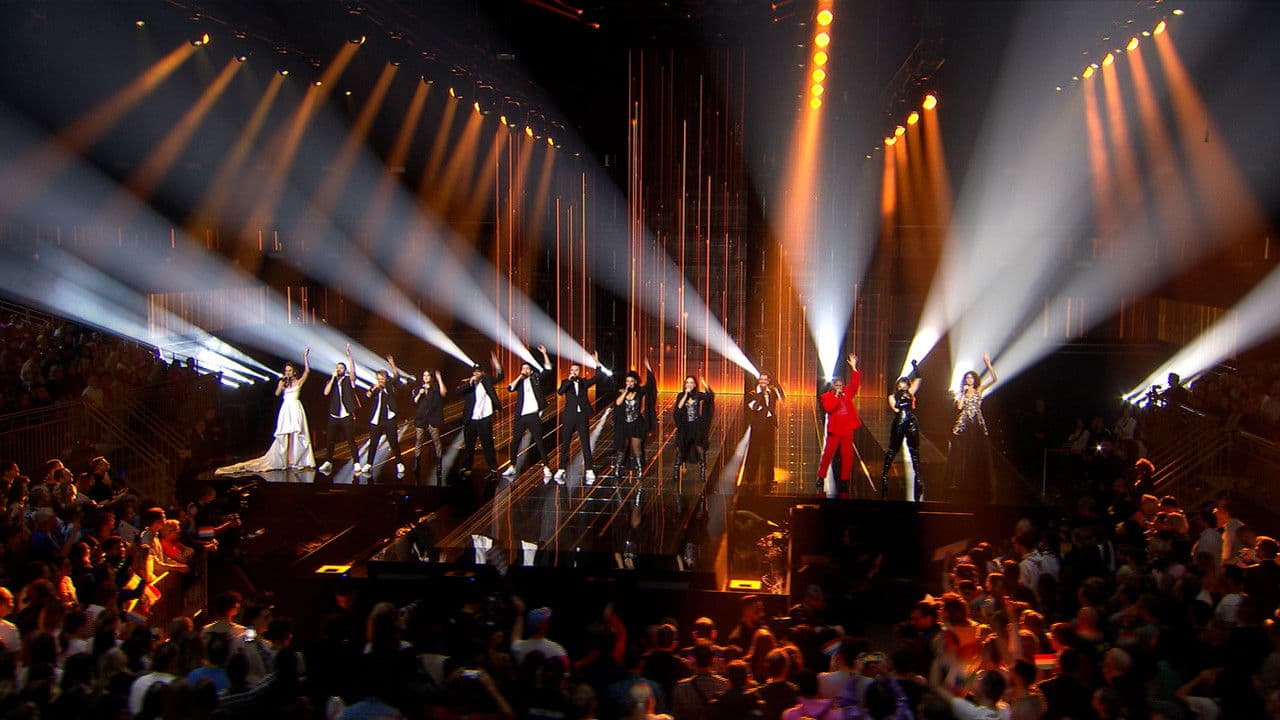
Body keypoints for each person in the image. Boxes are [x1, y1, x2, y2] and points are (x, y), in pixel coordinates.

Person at [217, 348, 315, 475]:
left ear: (294, 372)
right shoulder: (283, 382)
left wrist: (305, 357)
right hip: (286, 409)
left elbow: (307, 372)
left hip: (295, 408)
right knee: (284, 434)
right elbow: (277, 393)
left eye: (290, 371)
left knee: (296, 434)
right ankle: (284, 460)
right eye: (286, 371)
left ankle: (296, 461)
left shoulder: (298, 382)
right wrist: (281, 384)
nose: (288, 372)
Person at [944, 353, 997, 502]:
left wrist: (988, 364)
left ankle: (977, 479)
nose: (969, 380)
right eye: (967, 378)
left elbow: (993, 379)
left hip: (976, 423)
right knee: (963, 450)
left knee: (976, 449)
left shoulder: (979, 390)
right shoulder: (962, 392)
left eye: (971, 378)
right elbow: (959, 407)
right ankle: (961, 479)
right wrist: (962, 393)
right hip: (964, 423)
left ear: (975, 380)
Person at [504, 345, 555, 482]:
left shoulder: (536, 378)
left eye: (527, 368)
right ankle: (512, 466)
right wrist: (519, 377)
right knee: (515, 441)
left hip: (533, 415)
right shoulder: (520, 382)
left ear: (531, 371)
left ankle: (546, 467)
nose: (524, 370)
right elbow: (510, 388)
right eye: (523, 368)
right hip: (521, 416)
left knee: (539, 441)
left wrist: (544, 354)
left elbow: (548, 369)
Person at [817, 354, 861, 499]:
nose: (840, 387)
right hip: (834, 430)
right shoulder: (827, 396)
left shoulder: (847, 393)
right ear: (832, 386)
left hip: (847, 429)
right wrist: (836, 396)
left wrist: (854, 368)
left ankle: (844, 480)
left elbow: (855, 385)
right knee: (828, 454)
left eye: (841, 385)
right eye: (837, 386)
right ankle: (821, 476)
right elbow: (830, 408)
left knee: (847, 456)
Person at [556, 351, 603, 485]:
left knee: (585, 443)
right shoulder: (566, 382)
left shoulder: (583, 382)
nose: (574, 372)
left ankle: (589, 469)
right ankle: (561, 468)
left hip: (581, 416)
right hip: (569, 417)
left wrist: (596, 362)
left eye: (576, 370)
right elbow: (560, 392)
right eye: (572, 370)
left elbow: (598, 377)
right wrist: (569, 381)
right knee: (565, 443)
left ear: (579, 371)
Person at [880, 360, 923, 501]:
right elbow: (895, 408)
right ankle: (884, 474)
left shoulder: (910, 393)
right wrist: (901, 398)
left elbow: (919, 380)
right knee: (893, 448)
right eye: (901, 384)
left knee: (914, 450)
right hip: (900, 422)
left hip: (911, 422)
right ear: (897, 385)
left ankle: (918, 476)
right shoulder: (892, 396)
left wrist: (915, 368)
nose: (903, 386)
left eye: (905, 384)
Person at [457, 354, 504, 478]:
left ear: (482, 372)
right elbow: (458, 391)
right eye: (475, 372)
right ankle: (467, 467)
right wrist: (470, 383)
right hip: (471, 420)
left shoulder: (487, 380)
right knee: (469, 446)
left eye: (479, 372)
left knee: (487, 445)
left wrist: (497, 365)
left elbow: (500, 377)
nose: (477, 374)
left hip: (484, 419)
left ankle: (493, 468)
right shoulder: (467, 383)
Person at [319, 344, 360, 477]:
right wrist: (332, 378)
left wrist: (349, 356)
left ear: (345, 370)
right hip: (334, 415)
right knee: (330, 440)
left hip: (346, 414)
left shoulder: (348, 380)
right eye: (337, 367)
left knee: (350, 440)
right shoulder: (332, 381)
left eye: (341, 368)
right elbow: (326, 393)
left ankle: (356, 462)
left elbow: (353, 373)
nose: (338, 369)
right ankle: (328, 462)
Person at [362, 355, 405, 479]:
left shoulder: (390, 386)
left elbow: (397, 377)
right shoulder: (375, 387)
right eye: (378, 379)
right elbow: (367, 396)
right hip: (376, 420)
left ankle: (399, 463)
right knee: (373, 443)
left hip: (389, 419)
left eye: (382, 379)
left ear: (386, 378)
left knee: (393, 442)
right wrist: (374, 388)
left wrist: (392, 364)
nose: (380, 381)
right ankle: (369, 464)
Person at [612, 360, 657, 479]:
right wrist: (625, 391)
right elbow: (618, 403)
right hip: (624, 423)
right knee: (622, 447)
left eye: (631, 381)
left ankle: (640, 469)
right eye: (627, 381)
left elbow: (650, 385)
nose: (629, 383)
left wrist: (649, 370)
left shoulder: (640, 391)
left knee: (637, 447)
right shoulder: (621, 391)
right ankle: (617, 469)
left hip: (636, 423)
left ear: (635, 381)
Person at [743, 373, 784, 494]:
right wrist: (760, 394)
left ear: (768, 381)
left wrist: (774, 387)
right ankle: (750, 479)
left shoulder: (772, 392)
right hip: (757, 426)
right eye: (761, 379)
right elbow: (753, 407)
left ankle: (769, 478)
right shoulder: (752, 394)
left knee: (769, 451)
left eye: (765, 380)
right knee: (754, 452)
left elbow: (782, 397)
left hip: (769, 424)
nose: (763, 382)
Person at [673, 372, 714, 485]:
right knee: (681, 448)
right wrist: (686, 394)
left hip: (696, 425)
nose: (689, 385)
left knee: (699, 447)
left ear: (695, 385)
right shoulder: (681, 395)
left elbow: (709, 396)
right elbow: (679, 407)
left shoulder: (698, 395)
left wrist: (704, 383)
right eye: (687, 383)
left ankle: (702, 470)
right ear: (685, 384)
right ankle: (676, 471)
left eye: (692, 383)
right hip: (685, 426)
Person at [411, 366, 447, 485]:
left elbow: (443, 393)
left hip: (433, 418)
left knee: (436, 440)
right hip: (421, 418)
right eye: (424, 375)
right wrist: (419, 393)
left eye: (428, 375)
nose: (426, 377)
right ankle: (417, 462)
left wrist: (439, 378)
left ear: (431, 377)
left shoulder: (435, 388)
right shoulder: (418, 389)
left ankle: (439, 463)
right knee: (419, 439)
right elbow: (414, 402)